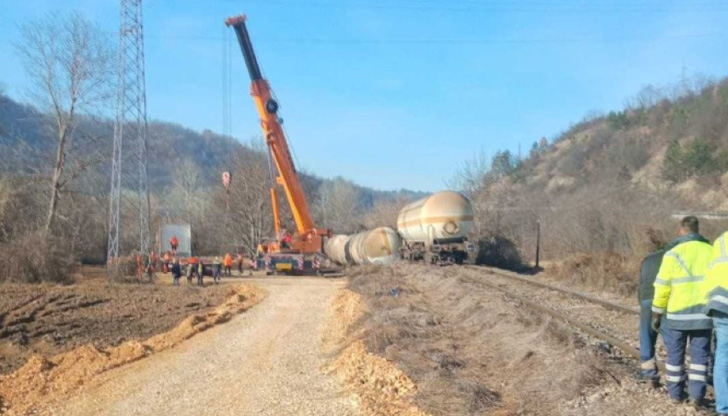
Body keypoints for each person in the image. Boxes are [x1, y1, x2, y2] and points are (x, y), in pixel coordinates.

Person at [652, 216, 713, 407]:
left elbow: (662, 287)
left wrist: (657, 313)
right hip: (704, 315)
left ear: (680, 231)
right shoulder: (711, 252)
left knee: (675, 355)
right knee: (700, 357)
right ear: (698, 230)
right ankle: (696, 396)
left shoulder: (672, 254)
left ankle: (676, 394)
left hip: (677, 315)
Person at [705, 230, 728, 415]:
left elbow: (710, 274)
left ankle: (723, 408)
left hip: (719, 303)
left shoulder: (719, 241)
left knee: (723, 356)